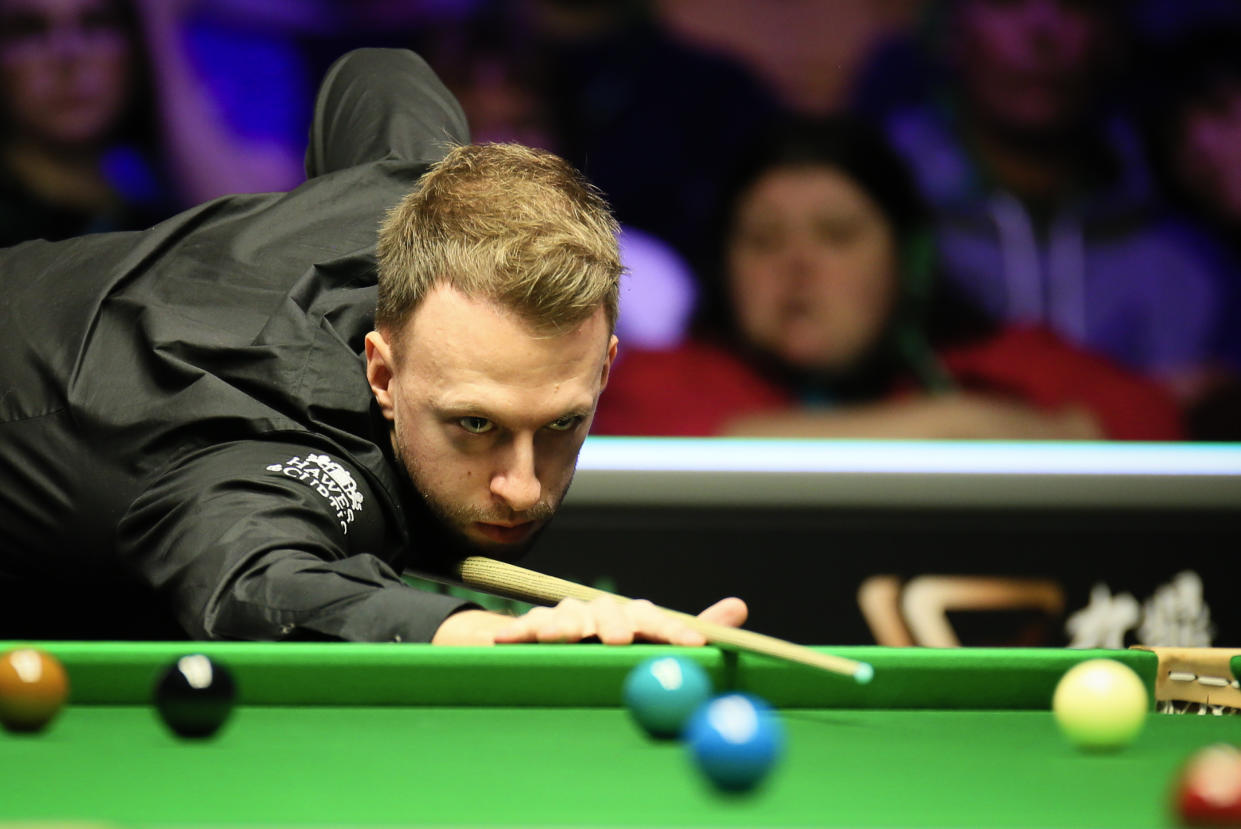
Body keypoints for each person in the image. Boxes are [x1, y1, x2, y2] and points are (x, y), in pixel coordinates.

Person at [0, 48, 746, 644]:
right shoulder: (268, 440)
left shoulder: (418, 199)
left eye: (559, 424)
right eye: (475, 424)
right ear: (381, 372)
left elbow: (381, 71)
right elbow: (258, 582)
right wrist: (472, 631)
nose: (521, 487)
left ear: (605, 363)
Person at [591, 117, 1182, 440]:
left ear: (911, 257)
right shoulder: (657, 375)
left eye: (837, 234)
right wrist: (966, 425)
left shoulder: (1004, 360)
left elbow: (1151, 424)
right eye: (763, 239)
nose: (796, 264)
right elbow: (703, 445)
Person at [877, 0, 1235, 405]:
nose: (1042, 30)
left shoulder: (1190, 250)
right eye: (1007, 4)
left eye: (1074, 4)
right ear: (950, 29)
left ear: (1113, 37)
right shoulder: (873, 218)